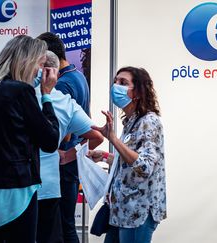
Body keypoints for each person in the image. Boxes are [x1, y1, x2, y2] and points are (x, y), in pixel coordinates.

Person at [0, 35, 59, 243]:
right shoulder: (21, 91)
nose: (40, 72)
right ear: (28, 62)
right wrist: (47, 96)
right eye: (40, 65)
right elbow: (50, 141)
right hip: (17, 189)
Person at [88, 67, 166, 243]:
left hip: (138, 210)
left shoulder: (149, 122)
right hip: (122, 209)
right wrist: (105, 156)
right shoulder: (131, 121)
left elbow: (144, 167)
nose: (116, 86)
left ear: (137, 91)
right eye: (116, 81)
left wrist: (113, 139)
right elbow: (129, 161)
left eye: (123, 83)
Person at [35, 51, 104, 243]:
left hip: (22, 186)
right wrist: (67, 155)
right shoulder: (67, 98)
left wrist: (66, 154)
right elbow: (96, 136)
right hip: (50, 186)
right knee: (64, 229)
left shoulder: (22, 96)